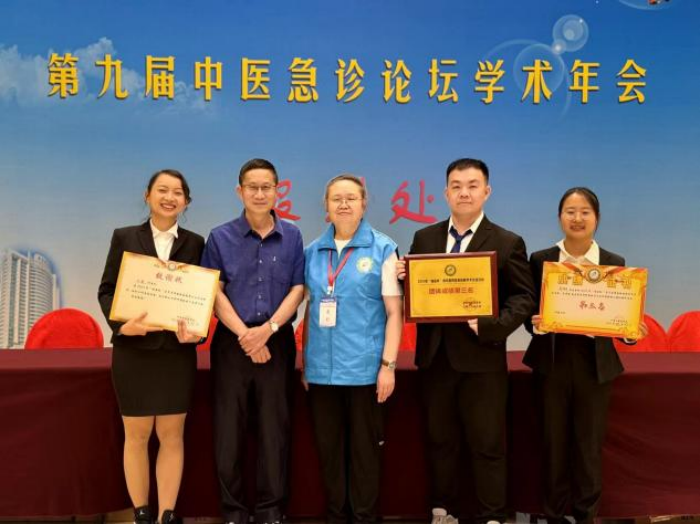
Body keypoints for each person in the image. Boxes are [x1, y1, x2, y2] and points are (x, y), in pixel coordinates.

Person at [397, 158, 535, 524]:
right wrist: (401, 277)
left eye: (472, 186)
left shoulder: (507, 241)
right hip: (436, 358)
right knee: (440, 441)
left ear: (486, 192)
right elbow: (418, 293)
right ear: (445, 193)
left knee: (488, 443)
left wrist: (493, 325)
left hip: (482, 360)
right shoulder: (424, 238)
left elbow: (523, 298)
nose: (464, 193)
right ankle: (443, 510)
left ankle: (493, 515)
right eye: (456, 186)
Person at [524, 187, 648, 524]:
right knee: (553, 444)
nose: (577, 218)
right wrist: (536, 324)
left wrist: (629, 331)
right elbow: (527, 314)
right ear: (559, 217)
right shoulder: (541, 260)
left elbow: (621, 320)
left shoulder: (614, 262)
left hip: (595, 366)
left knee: (588, 446)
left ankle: (586, 515)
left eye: (584, 212)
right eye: (570, 211)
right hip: (552, 362)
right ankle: (553, 515)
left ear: (597, 218)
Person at [200, 158, 304, 524]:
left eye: (266, 187)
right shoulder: (220, 237)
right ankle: (233, 511)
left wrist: (268, 330)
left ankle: (271, 510)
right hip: (232, 342)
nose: (260, 194)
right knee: (228, 430)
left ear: (277, 191)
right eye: (252, 187)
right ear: (239, 191)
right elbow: (214, 291)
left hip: (276, 340)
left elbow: (297, 289)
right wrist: (246, 335)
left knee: (275, 429)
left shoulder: (292, 236)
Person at [98, 169, 205, 524]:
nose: (169, 197)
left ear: (186, 202)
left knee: (172, 436)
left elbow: (202, 298)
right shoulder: (125, 236)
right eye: (162, 190)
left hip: (176, 354)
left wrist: (198, 333)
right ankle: (141, 514)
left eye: (177, 192)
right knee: (137, 435)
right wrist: (121, 325)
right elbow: (107, 290)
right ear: (147, 195)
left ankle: (166, 516)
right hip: (133, 353)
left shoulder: (196, 243)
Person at [302, 174, 403, 524]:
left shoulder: (383, 248)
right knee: (329, 453)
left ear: (364, 204)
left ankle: (363, 517)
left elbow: (394, 313)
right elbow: (309, 309)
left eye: (351, 198)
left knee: (364, 453)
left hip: (365, 371)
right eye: (336, 199)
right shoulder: (312, 252)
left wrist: (388, 365)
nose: (343, 204)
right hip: (321, 372)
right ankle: (336, 516)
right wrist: (306, 363)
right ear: (326, 206)